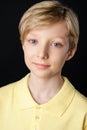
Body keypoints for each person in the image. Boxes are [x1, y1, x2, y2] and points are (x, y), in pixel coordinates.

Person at [0, 0, 87, 130]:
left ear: (70, 52)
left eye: (56, 44)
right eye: (33, 41)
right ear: (23, 44)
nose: (42, 54)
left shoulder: (83, 112)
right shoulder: (2, 98)